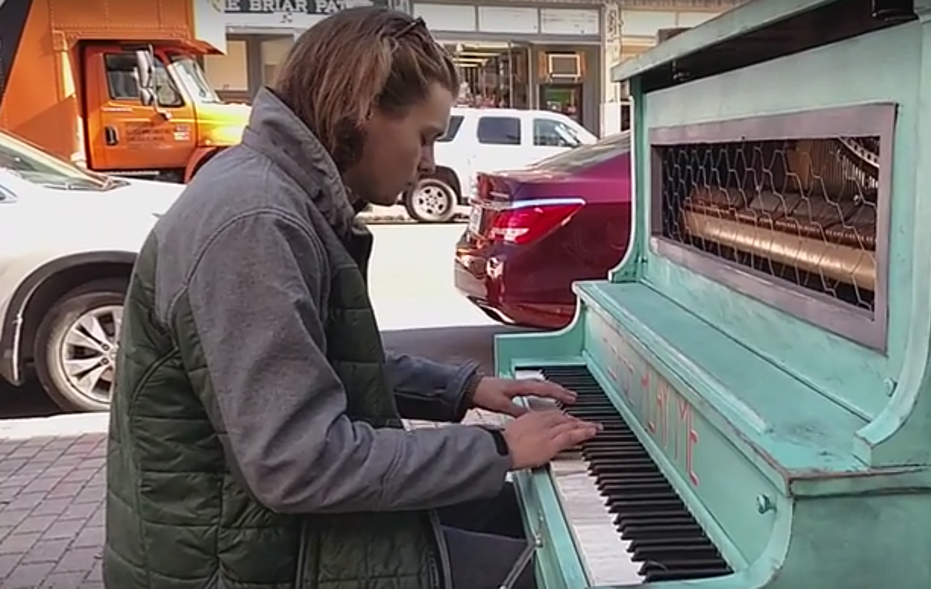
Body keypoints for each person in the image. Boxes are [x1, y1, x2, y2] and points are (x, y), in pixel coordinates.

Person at [103, 7, 600, 589]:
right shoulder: (257, 222)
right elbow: (299, 462)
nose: (428, 163)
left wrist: (463, 390)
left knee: (524, 518)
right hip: (244, 564)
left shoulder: (275, 195)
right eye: (424, 136)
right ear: (363, 110)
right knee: (551, 567)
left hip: (271, 537)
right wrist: (496, 448)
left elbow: (308, 366)